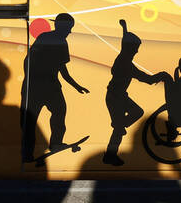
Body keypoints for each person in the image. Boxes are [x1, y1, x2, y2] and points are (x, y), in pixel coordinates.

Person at [21, 12, 89, 161]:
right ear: (60, 27)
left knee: (54, 112)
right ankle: (49, 145)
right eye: (69, 28)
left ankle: (39, 149)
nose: (70, 32)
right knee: (35, 119)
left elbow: (30, 61)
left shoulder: (48, 39)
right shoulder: (55, 41)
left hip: (46, 86)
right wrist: (76, 86)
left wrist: (76, 86)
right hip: (41, 86)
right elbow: (62, 70)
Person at [103, 19, 169, 165]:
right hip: (115, 98)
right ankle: (110, 154)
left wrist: (124, 27)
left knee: (137, 112)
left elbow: (125, 38)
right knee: (119, 129)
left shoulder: (122, 57)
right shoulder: (126, 65)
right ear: (130, 49)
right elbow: (147, 79)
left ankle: (120, 125)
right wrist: (161, 75)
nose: (137, 51)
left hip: (120, 96)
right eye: (135, 49)